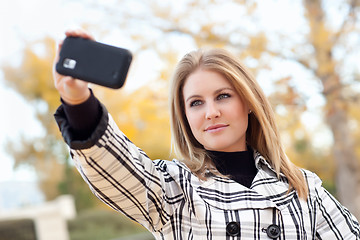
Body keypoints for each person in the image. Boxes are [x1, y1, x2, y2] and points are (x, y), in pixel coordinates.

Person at [53, 29, 360, 239]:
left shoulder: (303, 188)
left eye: (223, 96)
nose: (210, 111)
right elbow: (114, 167)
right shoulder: (175, 188)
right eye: (196, 103)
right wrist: (77, 100)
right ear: (186, 117)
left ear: (248, 102)